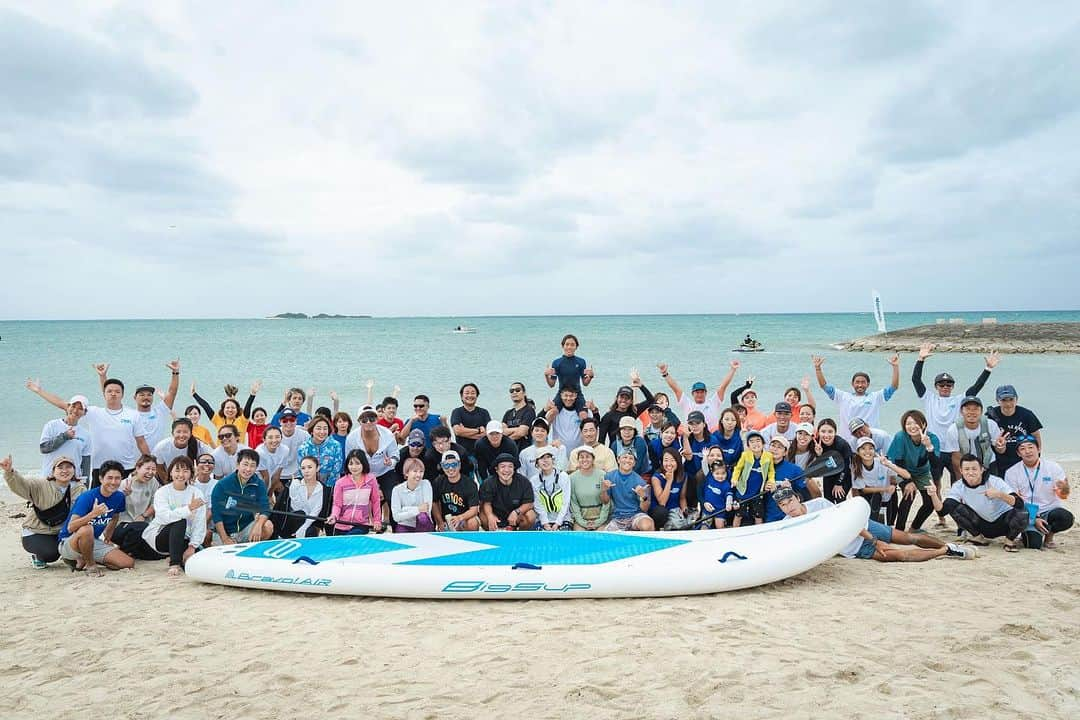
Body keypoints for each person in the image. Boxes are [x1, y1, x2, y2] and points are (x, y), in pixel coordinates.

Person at [775, 487, 975, 562]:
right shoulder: (787, 524)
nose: (788, 508)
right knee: (899, 556)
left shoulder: (819, 504)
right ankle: (946, 550)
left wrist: (874, 540)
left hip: (863, 528)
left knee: (909, 538)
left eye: (790, 501)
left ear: (797, 499)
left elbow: (847, 523)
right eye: (783, 505)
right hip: (852, 547)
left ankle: (944, 544)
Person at [26, 376, 145, 486]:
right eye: (109, 391)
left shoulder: (133, 415)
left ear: (123, 394)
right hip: (100, 467)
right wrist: (39, 390)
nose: (113, 394)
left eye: (117, 391)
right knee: (96, 503)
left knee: (125, 503)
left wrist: (148, 463)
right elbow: (62, 404)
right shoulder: (94, 412)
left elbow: (141, 442)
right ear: (104, 394)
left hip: (127, 467)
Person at [925, 455, 1029, 552]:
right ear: (961, 471)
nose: (970, 473)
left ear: (982, 469)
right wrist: (933, 495)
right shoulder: (958, 486)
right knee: (955, 508)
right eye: (966, 469)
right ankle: (978, 538)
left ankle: (1009, 541)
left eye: (974, 469)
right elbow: (942, 511)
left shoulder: (995, 481)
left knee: (1023, 512)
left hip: (1004, 523)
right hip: (982, 524)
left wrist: (999, 494)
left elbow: (1019, 503)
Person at [2, 454, 87, 568]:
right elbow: (21, 485)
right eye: (60, 467)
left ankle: (65, 552)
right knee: (51, 554)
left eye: (68, 467)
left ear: (74, 470)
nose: (64, 471)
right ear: (53, 471)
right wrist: (10, 472)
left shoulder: (80, 489)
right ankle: (37, 556)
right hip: (38, 531)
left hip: (61, 532)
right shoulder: (40, 485)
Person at [57, 460, 136, 575]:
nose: (113, 482)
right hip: (69, 542)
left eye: (117, 478)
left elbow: (115, 516)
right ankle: (90, 565)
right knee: (87, 529)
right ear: (101, 479)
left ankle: (84, 559)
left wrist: (107, 537)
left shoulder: (119, 497)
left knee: (127, 563)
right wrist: (93, 514)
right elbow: (71, 527)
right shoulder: (87, 497)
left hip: (92, 542)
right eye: (109, 478)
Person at [1003, 436, 1073, 549]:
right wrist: (1034, 518)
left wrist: (1064, 490)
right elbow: (1014, 503)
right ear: (1018, 453)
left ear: (1038, 449)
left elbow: (1063, 495)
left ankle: (1049, 537)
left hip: (1049, 510)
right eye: (1023, 449)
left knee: (1066, 518)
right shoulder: (1012, 472)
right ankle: (1027, 533)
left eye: (1031, 447)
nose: (1028, 451)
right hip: (1026, 513)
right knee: (1033, 544)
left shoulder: (1053, 467)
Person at [141, 456, 207, 576]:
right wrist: (188, 508)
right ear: (170, 472)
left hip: (184, 538)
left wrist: (192, 547)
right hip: (159, 537)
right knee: (179, 521)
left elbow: (200, 523)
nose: (181, 474)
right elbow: (163, 517)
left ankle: (178, 556)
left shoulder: (197, 493)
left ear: (191, 474)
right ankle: (174, 563)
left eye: (185, 471)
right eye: (177, 470)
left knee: (196, 562)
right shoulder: (162, 492)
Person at [812, 354, 900, 441]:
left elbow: (894, 387)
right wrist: (818, 368)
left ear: (868, 384)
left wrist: (895, 367)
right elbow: (824, 386)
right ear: (852, 384)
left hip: (869, 441)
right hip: (847, 441)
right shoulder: (843, 396)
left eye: (863, 382)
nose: (860, 385)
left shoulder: (876, 397)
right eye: (857, 382)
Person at [887, 410, 943, 532]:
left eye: (915, 423)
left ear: (923, 424)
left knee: (930, 502)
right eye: (908, 424)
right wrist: (909, 481)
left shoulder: (932, 438)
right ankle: (899, 531)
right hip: (903, 471)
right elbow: (898, 461)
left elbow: (935, 465)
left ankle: (914, 528)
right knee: (909, 494)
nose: (912, 427)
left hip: (923, 472)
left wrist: (929, 447)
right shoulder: (900, 437)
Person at [344, 404, 400, 525]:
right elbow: (349, 462)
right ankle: (361, 529)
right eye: (364, 420)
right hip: (363, 474)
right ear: (359, 421)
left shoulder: (387, 435)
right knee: (361, 502)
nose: (368, 422)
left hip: (385, 472)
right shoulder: (352, 438)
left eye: (372, 419)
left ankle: (396, 531)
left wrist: (391, 461)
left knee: (392, 499)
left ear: (377, 419)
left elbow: (396, 455)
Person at [210, 448, 274, 544]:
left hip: (246, 528)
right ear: (237, 464)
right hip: (225, 532)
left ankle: (251, 548)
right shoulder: (222, 485)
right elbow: (216, 515)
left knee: (268, 526)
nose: (248, 469)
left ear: (256, 468)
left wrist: (258, 525)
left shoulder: (258, 484)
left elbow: (265, 508)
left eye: (252, 466)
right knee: (222, 554)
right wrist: (225, 539)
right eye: (245, 464)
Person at [656, 360, 739, 429]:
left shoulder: (713, 402)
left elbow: (723, 386)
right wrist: (665, 373)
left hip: (711, 438)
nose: (700, 394)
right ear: (692, 394)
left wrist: (732, 370)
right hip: (693, 437)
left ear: (706, 393)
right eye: (697, 392)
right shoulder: (687, 404)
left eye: (702, 392)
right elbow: (675, 388)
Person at [941, 396, 1006, 479]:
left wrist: (1001, 446)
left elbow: (1000, 451)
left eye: (975, 409)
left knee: (992, 491)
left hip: (988, 464)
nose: (972, 412)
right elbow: (956, 458)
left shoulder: (991, 425)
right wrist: (961, 481)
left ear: (981, 411)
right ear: (961, 411)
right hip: (966, 467)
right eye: (968, 409)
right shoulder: (953, 430)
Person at [33, 393, 93, 482]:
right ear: (68, 407)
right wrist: (64, 436)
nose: (75, 410)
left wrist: (85, 488)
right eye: (73, 406)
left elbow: (85, 465)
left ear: (84, 413)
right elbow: (44, 448)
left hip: (73, 482)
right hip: (49, 479)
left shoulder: (86, 435)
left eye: (80, 408)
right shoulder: (52, 425)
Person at [986, 385, 1043, 474]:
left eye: (1011, 399)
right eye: (1004, 400)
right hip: (999, 460)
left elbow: (1036, 435)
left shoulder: (1026, 415)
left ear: (1016, 399)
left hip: (1022, 458)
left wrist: (1037, 456)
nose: (1008, 404)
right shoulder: (991, 416)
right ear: (997, 400)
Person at [329, 450, 382, 534]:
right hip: (341, 525)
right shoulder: (340, 483)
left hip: (361, 524)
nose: (354, 467)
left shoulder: (371, 480)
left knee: (350, 541)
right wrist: (334, 516)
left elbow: (376, 502)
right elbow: (337, 504)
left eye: (357, 463)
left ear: (363, 464)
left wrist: (377, 521)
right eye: (351, 464)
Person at [601, 448, 654, 531]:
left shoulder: (640, 481)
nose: (627, 460)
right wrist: (604, 490)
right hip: (618, 517)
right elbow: (605, 501)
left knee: (647, 524)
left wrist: (643, 497)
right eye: (624, 457)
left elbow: (645, 509)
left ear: (634, 463)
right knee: (605, 538)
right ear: (618, 459)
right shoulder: (609, 477)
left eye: (631, 458)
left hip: (636, 515)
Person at [849, 437, 899, 524]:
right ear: (858, 452)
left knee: (888, 521)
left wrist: (892, 486)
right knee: (876, 497)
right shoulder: (856, 466)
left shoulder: (883, 462)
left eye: (870, 448)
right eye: (863, 448)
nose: (867, 451)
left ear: (874, 451)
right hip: (869, 496)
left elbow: (893, 478)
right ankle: (872, 525)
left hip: (886, 496)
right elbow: (859, 489)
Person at [480, 454, 537, 531]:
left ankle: (520, 535)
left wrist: (516, 512)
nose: (506, 470)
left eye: (510, 466)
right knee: (483, 514)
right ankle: (492, 533)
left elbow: (529, 503)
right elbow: (487, 503)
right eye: (503, 466)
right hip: (496, 515)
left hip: (516, 517)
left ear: (514, 469)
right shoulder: (488, 483)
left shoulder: (524, 482)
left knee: (531, 515)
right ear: (496, 469)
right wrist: (490, 516)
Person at [730, 431, 776, 526]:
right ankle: (734, 531)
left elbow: (771, 471)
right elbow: (738, 468)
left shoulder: (768, 456)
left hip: (758, 492)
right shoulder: (745, 455)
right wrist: (734, 479)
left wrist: (771, 481)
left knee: (758, 515)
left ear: (763, 443)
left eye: (758, 440)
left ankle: (758, 534)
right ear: (748, 446)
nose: (755, 443)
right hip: (743, 491)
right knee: (739, 514)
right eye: (752, 441)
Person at [597, 374, 656, 444]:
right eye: (621, 397)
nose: (624, 400)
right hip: (615, 450)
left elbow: (651, 400)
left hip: (631, 450)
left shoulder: (634, 411)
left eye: (627, 398)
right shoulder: (608, 416)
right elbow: (601, 440)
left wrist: (641, 386)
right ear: (616, 398)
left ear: (631, 401)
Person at [544, 333, 593, 416]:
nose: (569, 347)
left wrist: (590, 376)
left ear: (576, 347)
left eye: (572, 345)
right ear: (563, 346)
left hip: (577, 393)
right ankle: (542, 429)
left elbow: (585, 383)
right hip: (561, 393)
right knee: (551, 413)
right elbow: (551, 384)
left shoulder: (581, 362)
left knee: (584, 415)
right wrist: (546, 376)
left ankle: (586, 429)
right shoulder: (557, 363)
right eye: (567, 344)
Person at [191, 379, 260, 438]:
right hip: (221, 452)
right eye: (227, 408)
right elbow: (206, 407)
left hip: (238, 452)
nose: (230, 410)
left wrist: (252, 394)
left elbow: (248, 407)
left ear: (237, 410)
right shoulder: (218, 419)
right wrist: (194, 394)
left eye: (233, 408)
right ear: (223, 410)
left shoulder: (242, 420)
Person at [431, 450, 481, 531]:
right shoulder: (438, 482)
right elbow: (434, 503)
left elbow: (474, 510)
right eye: (446, 465)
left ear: (459, 465)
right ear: (442, 467)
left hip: (464, 518)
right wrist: (439, 522)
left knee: (473, 522)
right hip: (447, 520)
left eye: (454, 464)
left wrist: (460, 518)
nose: (450, 468)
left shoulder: (469, 483)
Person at [279, 456, 325, 539]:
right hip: (293, 520)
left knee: (310, 531)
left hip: (309, 522)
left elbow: (315, 512)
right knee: (300, 514)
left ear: (317, 468)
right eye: (303, 468)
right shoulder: (296, 484)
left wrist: (303, 529)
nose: (306, 471)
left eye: (310, 467)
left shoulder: (322, 489)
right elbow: (296, 508)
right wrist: (294, 487)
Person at [568, 445, 611, 530]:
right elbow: (573, 503)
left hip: (601, 518)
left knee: (600, 538)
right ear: (578, 460)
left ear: (593, 459)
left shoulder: (602, 475)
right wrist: (582, 522)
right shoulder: (572, 478)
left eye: (588, 457)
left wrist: (599, 521)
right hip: (581, 519)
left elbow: (607, 502)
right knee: (580, 538)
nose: (584, 460)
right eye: (581, 457)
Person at [531, 447, 572, 530]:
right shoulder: (534, 480)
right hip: (543, 520)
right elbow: (538, 504)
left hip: (563, 519)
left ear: (553, 460)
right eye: (542, 458)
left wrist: (557, 523)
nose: (545, 461)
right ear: (537, 463)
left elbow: (566, 502)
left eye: (548, 457)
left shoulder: (563, 476)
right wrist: (545, 523)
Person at [297, 416, 344, 486]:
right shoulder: (303, 448)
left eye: (325, 429)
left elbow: (337, 468)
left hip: (331, 485)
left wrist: (327, 486)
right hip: (309, 485)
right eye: (318, 429)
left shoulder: (335, 446)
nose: (322, 432)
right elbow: (301, 469)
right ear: (312, 430)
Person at [650, 447, 690, 529]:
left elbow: (682, 498)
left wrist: (685, 511)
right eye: (666, 460)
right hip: (660, 512)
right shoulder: (656, 477)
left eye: (672, 460)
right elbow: (662, 502)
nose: (669, 463)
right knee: (662, 512)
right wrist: (669, 481)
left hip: (675, 510)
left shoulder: (683, 476)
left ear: (678, 461)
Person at [391, 458, 434, 533]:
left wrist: (404, 509)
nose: (418, 475)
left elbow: (426, 509)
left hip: (424, 523)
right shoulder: (397, 490)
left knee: (422, 517)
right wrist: (417, 509)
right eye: (415, 471)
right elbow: (396, 517)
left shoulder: (426, 484)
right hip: (405, 524)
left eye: (421, 471)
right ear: (407, 473)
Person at [450, 382, 491, 460]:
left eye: (473, 393)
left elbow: (487, 434)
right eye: (467, 393)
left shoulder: (484, 412)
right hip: (464, 454)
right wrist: (478, 430)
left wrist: (464, 431)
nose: (470, 395)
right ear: (462, 396)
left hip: (483, 453)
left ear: (477, 396)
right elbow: (458, 431)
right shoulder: (457, 412)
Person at [816, 419, 854, 503]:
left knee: (839, 498)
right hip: (829, 474)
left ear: (835, 432)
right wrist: (819, 455)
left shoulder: (842, 444)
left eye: (830, 431)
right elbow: (821, 468)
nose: (826, 435)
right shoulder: (817, 444)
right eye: (823, 431)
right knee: (828, 501)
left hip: (844, 475)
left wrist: (839, 483)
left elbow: (847, 466)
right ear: (818, 432)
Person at [275, 408, 310, 488]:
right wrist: (276, 480)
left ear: (296, 421)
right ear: (280, 422)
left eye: (292, 420)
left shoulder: (304, 435)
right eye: (285, 421)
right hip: (279, 475)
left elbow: (310, 455)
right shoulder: (275, 435)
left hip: (298, 475)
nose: (288, 423)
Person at [255, 426, 290, 502]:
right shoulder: (260, 452)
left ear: (281, 438)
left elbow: (277, 475)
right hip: (257, 480)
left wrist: (270, 494)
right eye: (270, 437)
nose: (274, 440)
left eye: (277, 437)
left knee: (284, 492)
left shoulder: (285, 450)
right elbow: (265, 477)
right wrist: (265, 497)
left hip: (270, 478)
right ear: (264, 439)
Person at [700, 452, 733, 529]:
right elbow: (704, 466)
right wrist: (705, 457)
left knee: (720, 527)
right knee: (704, 527)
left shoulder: (726, 484)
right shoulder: (709, 477)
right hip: (708, 509)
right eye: (717, 473)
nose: (720, 476)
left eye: (723, 473)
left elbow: (729, 495)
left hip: (720, 510)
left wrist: (728, 504)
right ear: (712, 472)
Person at [502, 382, 537, 451]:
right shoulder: (508, 413)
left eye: (518, 390)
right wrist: (517, 428)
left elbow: (522, 432)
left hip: (524, 450)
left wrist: (506, 439)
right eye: (511, 391)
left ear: (524, 393)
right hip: (509, 450)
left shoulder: (529, 411)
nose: (514, 392)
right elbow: (502, 431)